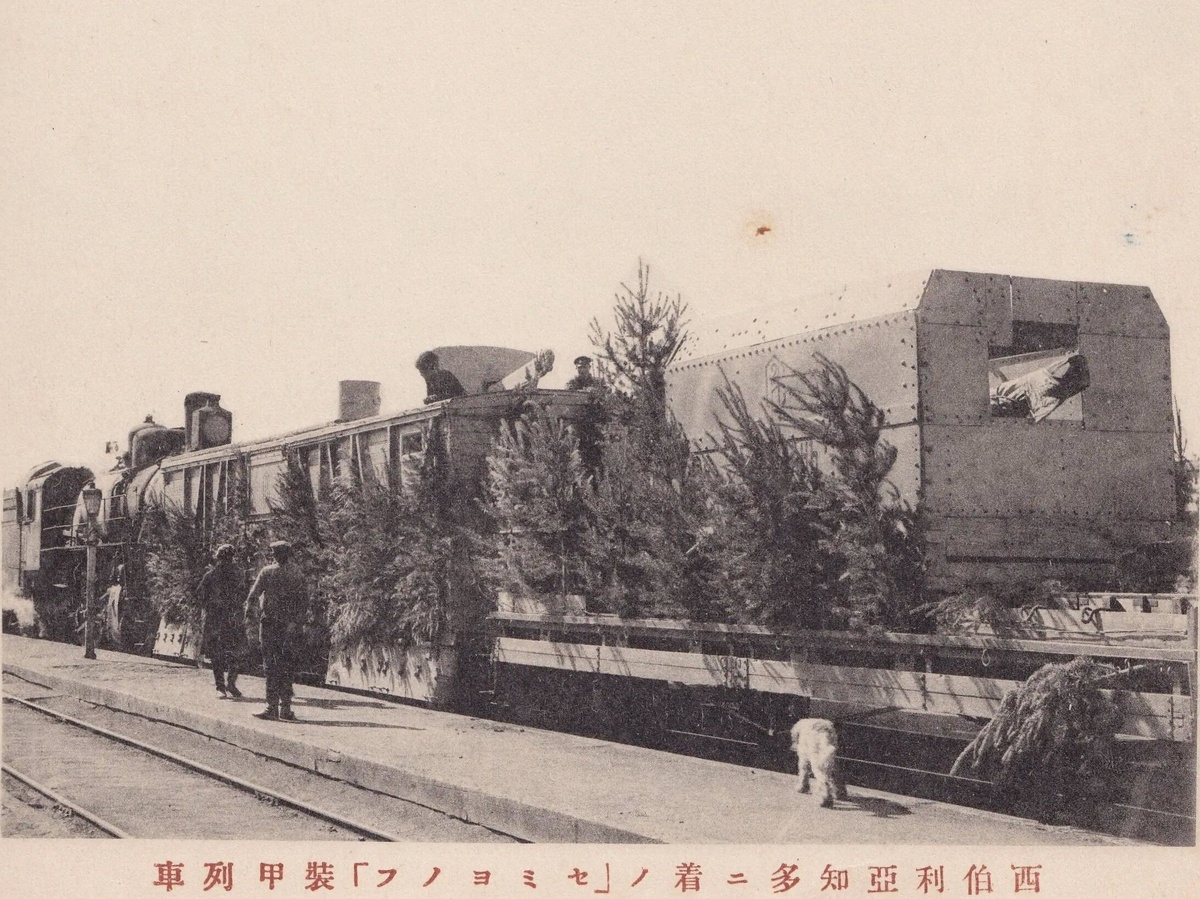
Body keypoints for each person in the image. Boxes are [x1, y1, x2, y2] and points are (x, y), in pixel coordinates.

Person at [245, 541, 307, 721]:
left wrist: (251, 615)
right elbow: (304, 603)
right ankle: (285, 709)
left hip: (270, 624)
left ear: (278, 554)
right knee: (286, 666)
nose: (272, 555)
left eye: (273, 552)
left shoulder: (267, 572)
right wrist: (296, 623)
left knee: (270, 666)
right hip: (289, 626)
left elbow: (253, 596)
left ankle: (271, 707)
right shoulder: (297, 574)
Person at [197, 544, 245, 698]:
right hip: (223, 619)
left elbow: (200, 596)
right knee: (224, 653)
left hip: (224, 618)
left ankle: (226, 684)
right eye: (226, 558)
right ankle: (224, 685)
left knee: (228, 653)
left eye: (228, 558)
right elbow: (201, 596)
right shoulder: (214, 576)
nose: (227, 562)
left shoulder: (231, 575)